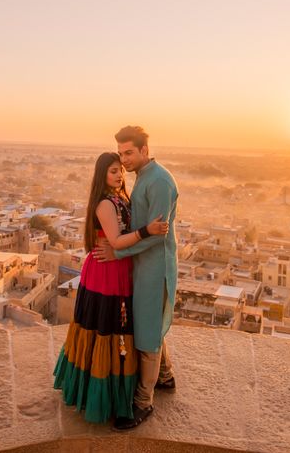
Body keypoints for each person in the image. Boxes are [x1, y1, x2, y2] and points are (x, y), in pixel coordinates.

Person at [52, 151, 168, 423]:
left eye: (120, 170)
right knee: (108, 327)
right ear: (102, 174)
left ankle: (151, 378)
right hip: (106, 271)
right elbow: (115, 241)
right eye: (113, 171)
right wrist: (147, 231)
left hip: (119, 268)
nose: (119, 175)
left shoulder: (120, 198)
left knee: (121, 325)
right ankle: (102, 392)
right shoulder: (105, 203)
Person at [93, 125, 179, 431]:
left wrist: (118, 253)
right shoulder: (146, 178)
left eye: (129, 152)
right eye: (121, 154)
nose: (124, 159)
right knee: (149, 325)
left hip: (154, 267)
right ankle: (165, 376)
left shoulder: (158, 182)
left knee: (146, 338)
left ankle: (143, 402)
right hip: (143, 266)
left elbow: (158, 235)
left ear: (144, 150)